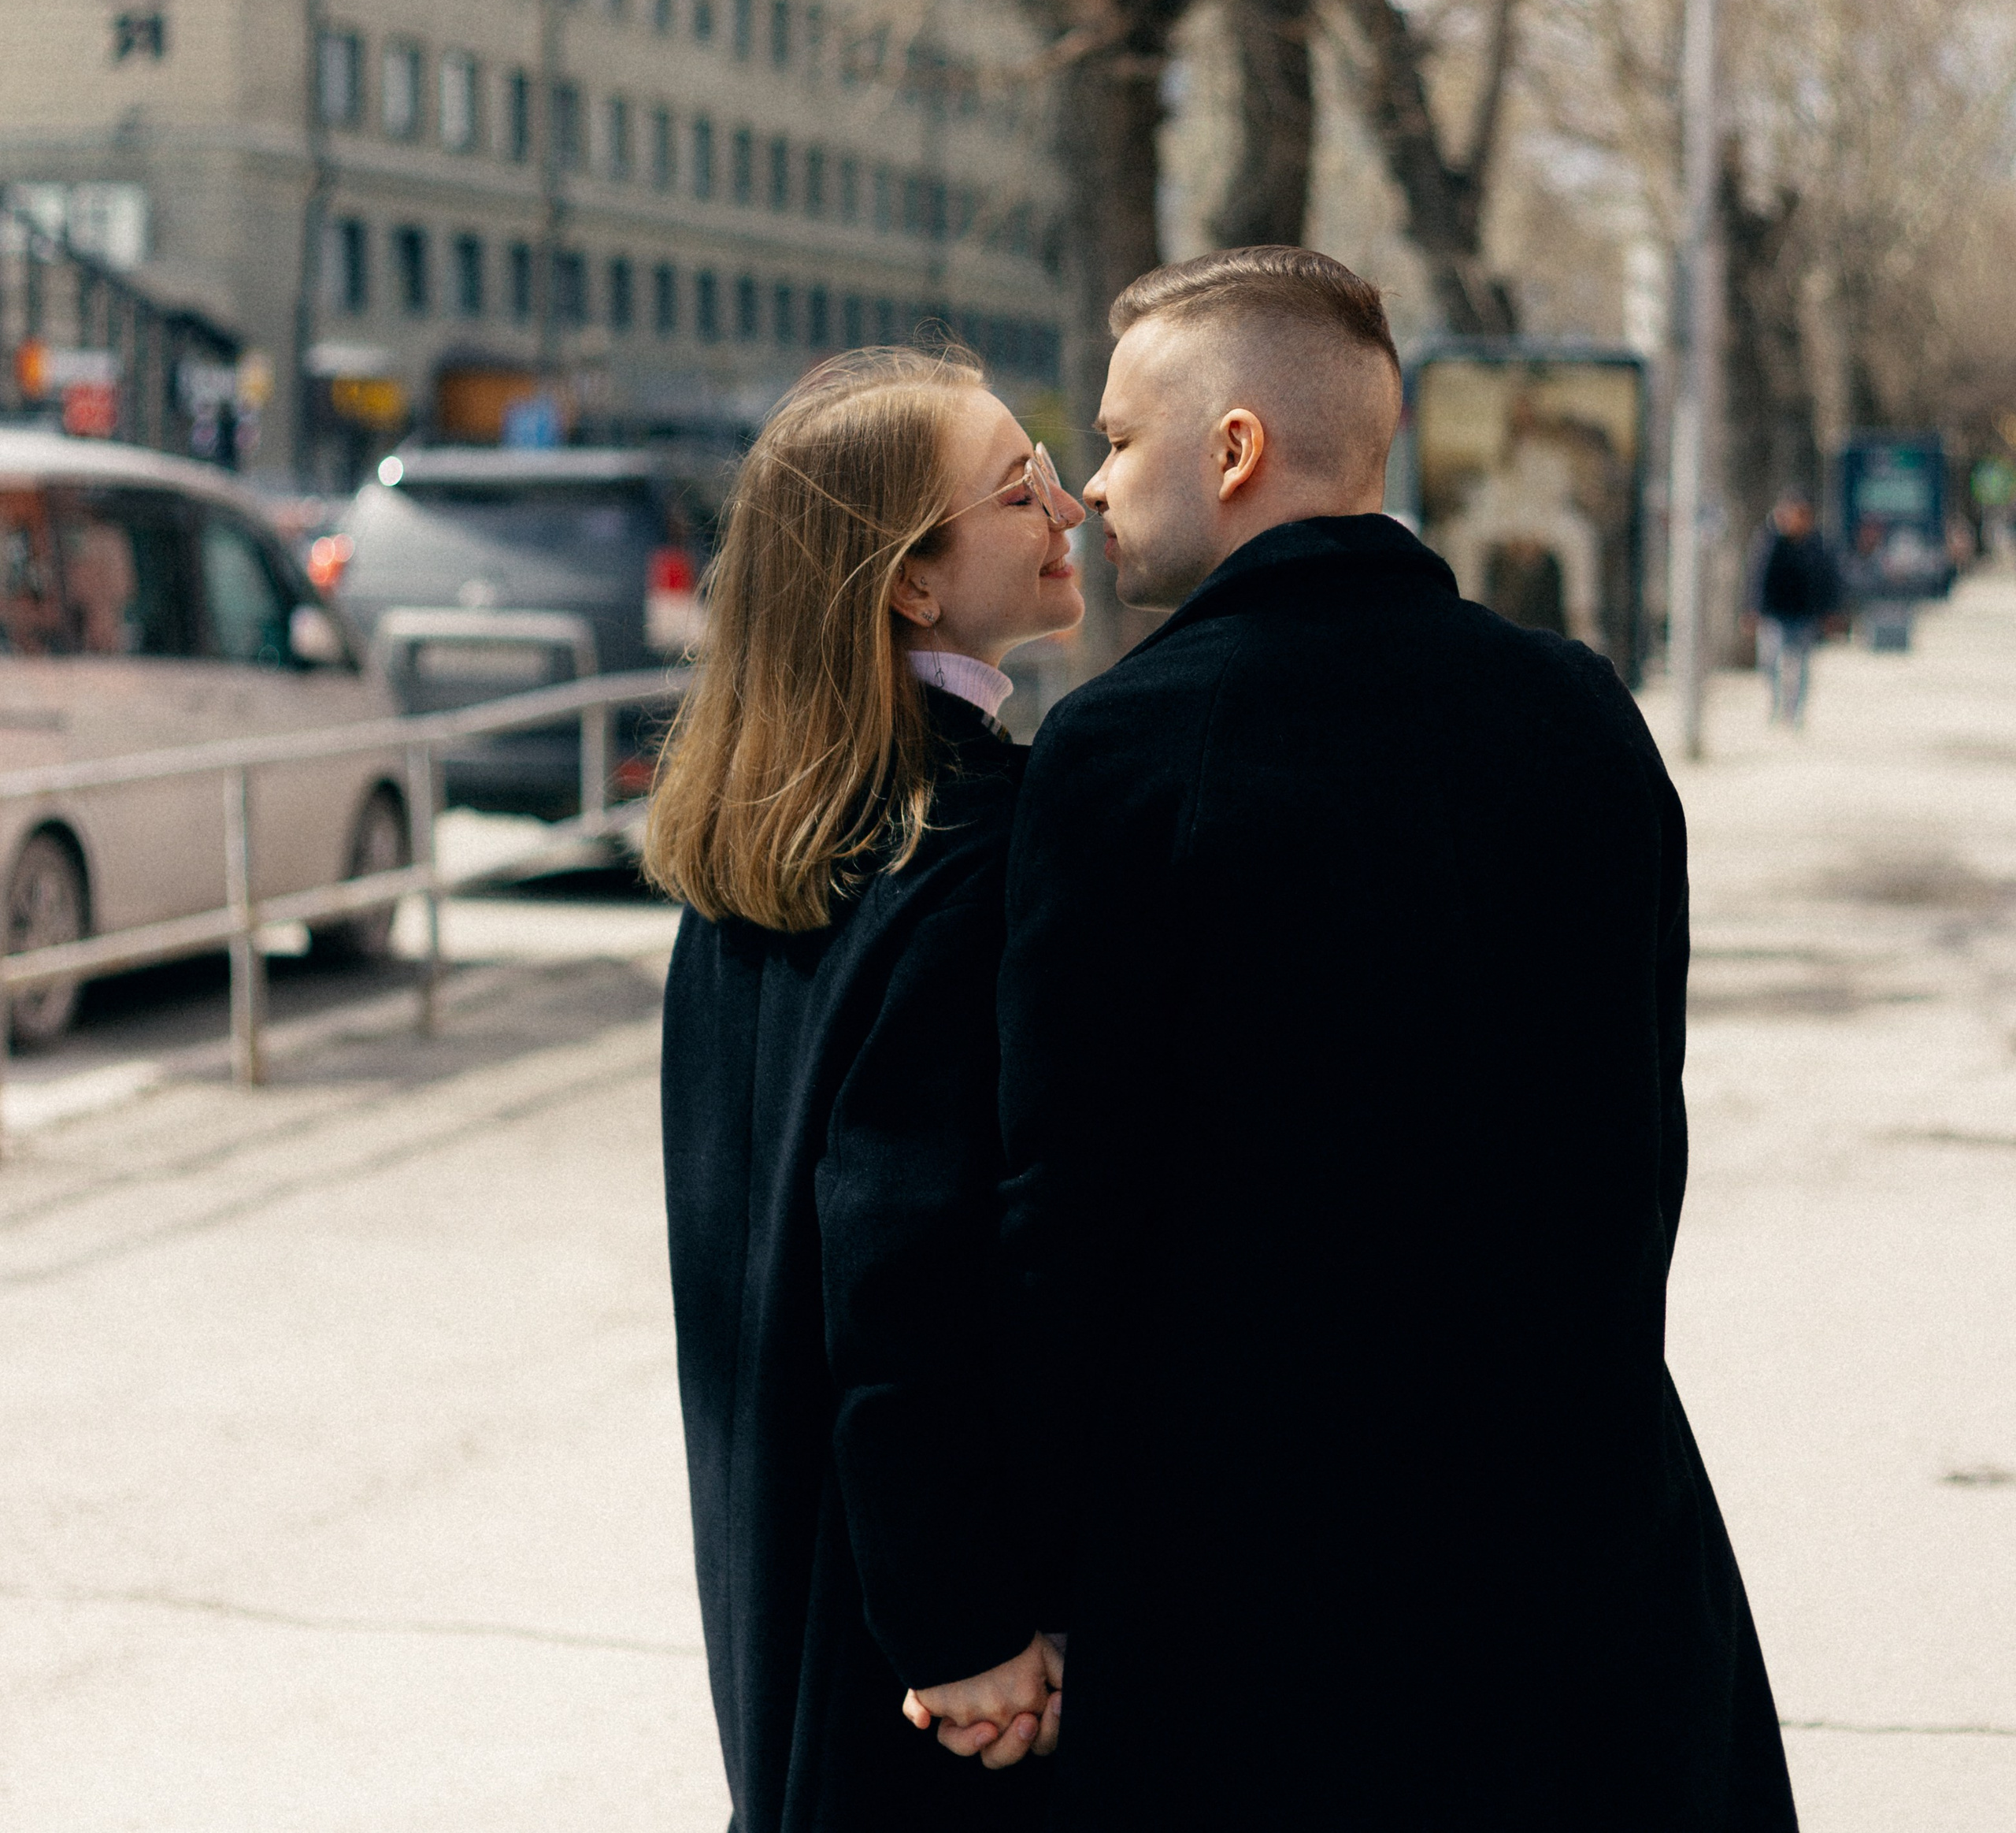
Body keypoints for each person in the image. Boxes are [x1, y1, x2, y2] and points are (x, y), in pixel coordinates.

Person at [926, 248, 1797, 1830]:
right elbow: (1626, 1141)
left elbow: (1061, 1211)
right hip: (1588, 1550)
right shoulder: (1578, 710)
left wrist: (1024, 1576)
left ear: (1235, 450)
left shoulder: (1125, 752)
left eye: (1118, 440)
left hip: (1253, 1589)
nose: (1093, 492)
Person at [648, 346, 1079, 1833]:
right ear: (912, 582)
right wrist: (965, 1626)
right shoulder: (970, 846)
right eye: (1023, 485)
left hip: (783, 1565)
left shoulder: (746, 847)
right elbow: (905, 1278)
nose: (1070, 503)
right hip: (911, 1627)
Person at [1745, 490, 1842, 725]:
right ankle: (1776, 706)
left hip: (1804, 615)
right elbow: (1757, 577)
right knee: (1770, 662)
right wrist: (1752, 609)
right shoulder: (1770, 542)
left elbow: (1829, 580)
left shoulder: (1818, 545)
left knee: (1801, 666)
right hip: (1774, 614)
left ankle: (1795, 713)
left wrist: (1830, 613)